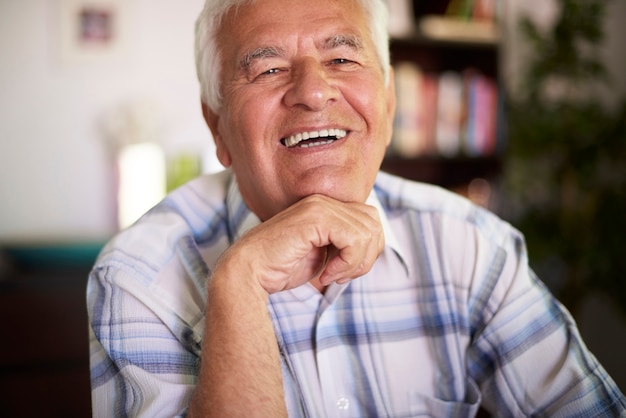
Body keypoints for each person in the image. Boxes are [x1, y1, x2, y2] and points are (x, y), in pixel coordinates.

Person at [86, 0, 626, 416]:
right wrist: (240, 282)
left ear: (389, 107)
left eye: (341, 58)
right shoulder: (137, 276)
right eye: (269, 69)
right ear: (217, 127)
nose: (314, 92)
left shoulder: (472, 244)